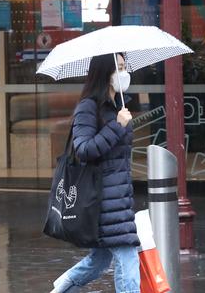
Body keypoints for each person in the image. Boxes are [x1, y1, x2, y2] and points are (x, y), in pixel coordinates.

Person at [52, 53, 140, 293]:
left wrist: (119, 121)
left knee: (99, 261)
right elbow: (84, 149)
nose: (124, 73)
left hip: (118, 197)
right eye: (118, 68)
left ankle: (60, 289)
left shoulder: (118, 106)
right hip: (100, 199)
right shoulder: (88, 107)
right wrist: (117, 126)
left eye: (125, 67)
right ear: (104, 74)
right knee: (129, 258)